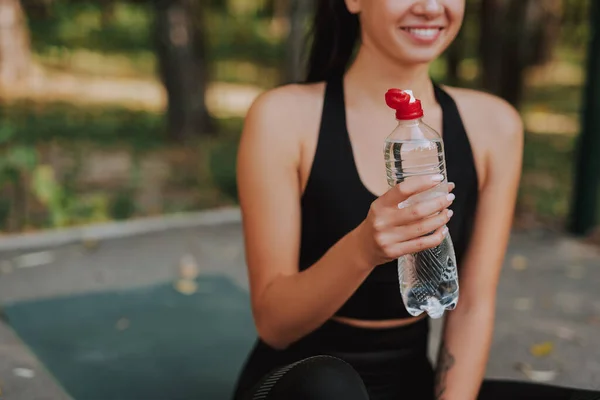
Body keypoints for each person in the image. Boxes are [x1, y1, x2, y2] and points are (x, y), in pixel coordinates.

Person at [230, 1, 599, 399]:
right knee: (330, 389)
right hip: (300, 382)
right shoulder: (283, 117)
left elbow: (472, 304)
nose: (430, 7)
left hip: (411, 382)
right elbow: (275, 325)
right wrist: (364, 249)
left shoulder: (495, 125)